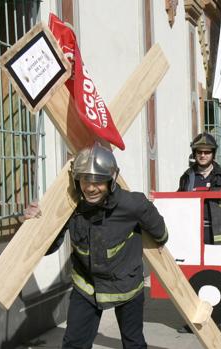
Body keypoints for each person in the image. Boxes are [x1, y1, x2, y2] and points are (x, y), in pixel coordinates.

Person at [24, 143, 168, 349]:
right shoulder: (71, 208)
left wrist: (156, 233)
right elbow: (48, 248)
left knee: (134, 343)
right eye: (85, 179)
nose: (90, 187)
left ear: (112, 179)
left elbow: (161, 233)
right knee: (74, 344)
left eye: (98, 180)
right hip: (87, 287)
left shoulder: (134, 204)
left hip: (126, 286)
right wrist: (34, 224)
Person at [177, 132, 221, 337]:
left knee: (220, 279)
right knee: (194, 279)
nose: (203, 155)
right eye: (199, 152)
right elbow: (179, 203)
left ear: (213, 154)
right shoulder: (187, 176)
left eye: (207, 152)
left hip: (218, 235)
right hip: (194, 236)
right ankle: (194, 320)